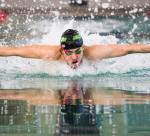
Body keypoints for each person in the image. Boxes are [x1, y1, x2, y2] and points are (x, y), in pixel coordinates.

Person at [0, 29, 150, 69]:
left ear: (83, 48)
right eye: (69, 53)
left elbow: (131, 48)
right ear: (61, 51)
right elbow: (12, 50)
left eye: (78, 51)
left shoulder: (94, 52)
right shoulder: (49, 53)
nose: (74, 57)